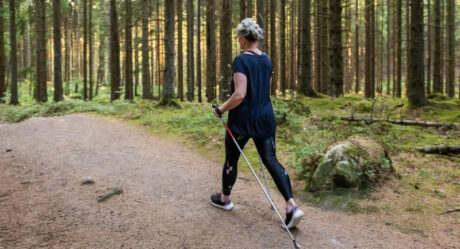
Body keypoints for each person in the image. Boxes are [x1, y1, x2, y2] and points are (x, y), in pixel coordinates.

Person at [210, 18, 304, 229]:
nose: (238, 41)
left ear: (243, 39)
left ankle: (225, 199)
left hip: (242, 122)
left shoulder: (241, 61)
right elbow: (266, 91)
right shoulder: (267, 59)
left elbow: (240, 94)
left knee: (231, 160)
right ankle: (292, 206)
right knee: (271, 160)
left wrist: (221, 109)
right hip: (266, 119)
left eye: (238, 38)